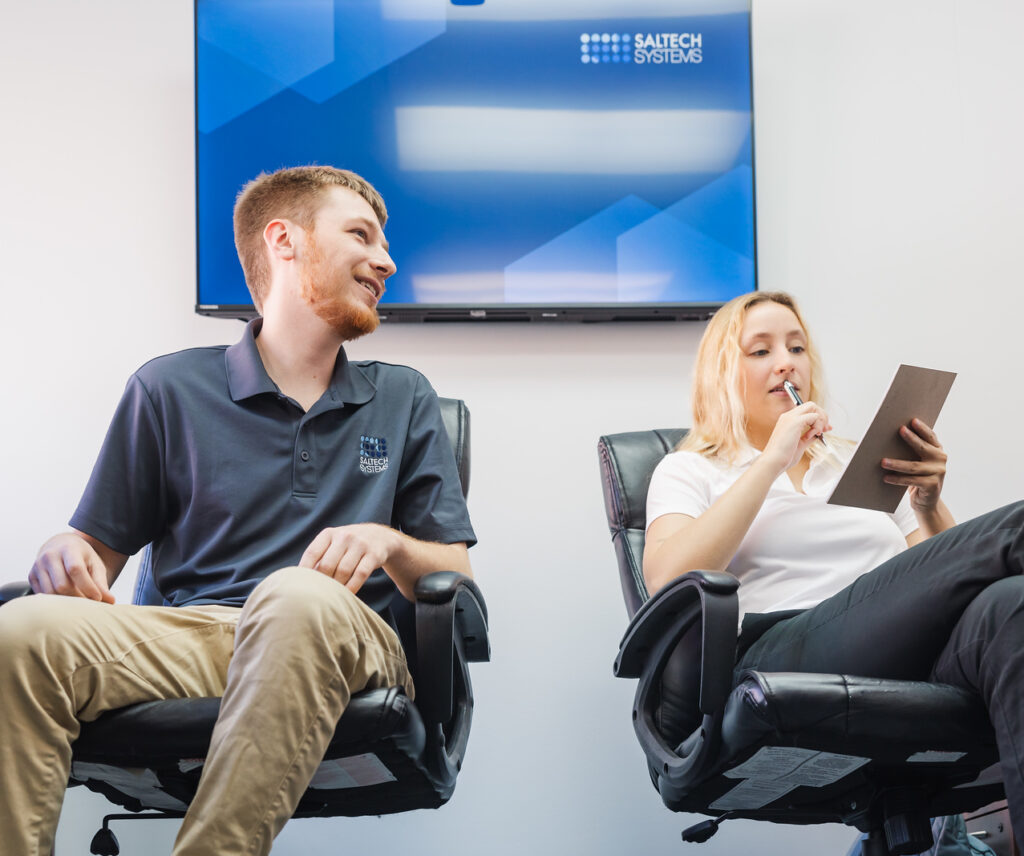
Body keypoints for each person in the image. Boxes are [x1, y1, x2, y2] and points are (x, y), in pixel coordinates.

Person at [0, 165, 476, 856]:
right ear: (284, 241)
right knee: (22, 628)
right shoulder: (169, 388)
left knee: (294, 595)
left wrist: (387, 542)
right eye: (361, 235)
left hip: (343, 639)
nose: (386, 260)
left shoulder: (402, 396)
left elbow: (454, 574)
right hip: (198, 639)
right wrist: (64, 549)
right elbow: (91, 561)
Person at [643, 290, 1024, 843]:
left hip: (903, 644)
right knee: (1010, 532)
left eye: (796, 347)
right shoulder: (691, 469)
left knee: (1010, 604)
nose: (786, 361)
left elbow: (945, 579)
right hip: (787, 647)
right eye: (760, 351)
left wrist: (926, 504)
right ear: (720, 373)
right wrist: (772, 458)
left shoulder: (855, 462)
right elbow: (668, 579)